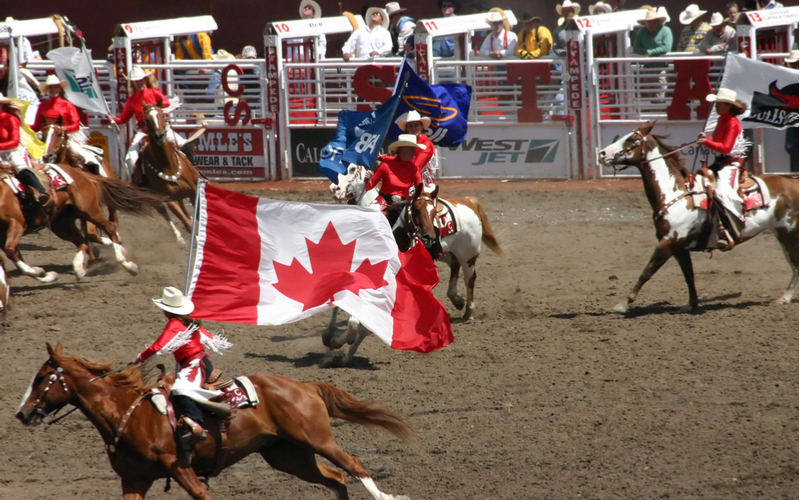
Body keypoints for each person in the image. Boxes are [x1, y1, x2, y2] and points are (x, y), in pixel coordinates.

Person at [133, 287, 231, 455]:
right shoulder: (188, 322)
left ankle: (195, 424)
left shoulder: (175, 323)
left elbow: (159, 346)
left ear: (165, 309)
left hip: (195, 364)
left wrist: (140, 358)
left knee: (181, 389)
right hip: (197, 362)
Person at [107, 66, 187, 177]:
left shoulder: (155, 93)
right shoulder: (132, 99)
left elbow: (166, 103)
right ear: (133, 83)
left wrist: (153, 109)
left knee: (184, 145)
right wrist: (113, 119)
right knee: (130, 158)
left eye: (140, 80)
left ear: (145, 80)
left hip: (160, 128)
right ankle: (135, 181)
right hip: (143, 131)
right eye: (136, 81)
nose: (139, 83)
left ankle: (195, 175)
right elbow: (123, 119)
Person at [697, 88, 749, 249]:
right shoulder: (723, 119)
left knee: (721, 192)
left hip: (731, 163)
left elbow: (726, 148)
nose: (715, 106)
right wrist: (708, 139)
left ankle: (730, 228)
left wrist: (707, 142)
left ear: (727, 105)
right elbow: (719, 140)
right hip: (721, 162)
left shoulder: (732, 122)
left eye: (718, 104)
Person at [31, 74, 101, 173]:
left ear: (59, 89)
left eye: (55, 87)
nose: (53, 89)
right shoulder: (42, 106)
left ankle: (97, 175)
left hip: (65, 138)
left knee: (86, 157)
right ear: (47, 90)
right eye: (51, 87)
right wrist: (23, 127)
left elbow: (76, 124)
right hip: (46, 139)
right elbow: (37, 126)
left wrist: (62, 130)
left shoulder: (67, 105)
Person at [0, 93, 49, 204]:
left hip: (12, 152)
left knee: (20, 167)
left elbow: (14, 142)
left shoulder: (11, 118)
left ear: (2, 105)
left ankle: (40, 191)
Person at [365, 134, 424, 206]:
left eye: (415, 150)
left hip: (403, 204)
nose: (414, 153)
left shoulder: (415, 170)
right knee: (371, 214)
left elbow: (421, 192)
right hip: (383, 202)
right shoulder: (386, 165)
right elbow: (368, 187)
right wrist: (368, 178)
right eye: (411, 150)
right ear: (401, 149)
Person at [633, 8, 673, 102]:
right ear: (645, 23)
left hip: (661, 67)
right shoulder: (641, 32)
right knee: (650, 94)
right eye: (648, 22)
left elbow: (667, 47)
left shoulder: (665, 30)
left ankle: (659, 112)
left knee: (660, 93)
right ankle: (654, 111)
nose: (651, 25)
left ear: (657, 22)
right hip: (647, 67)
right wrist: (647, 52)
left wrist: (650, 53)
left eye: (653, 22)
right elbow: (636, 48)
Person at [395, 110, 436, 191]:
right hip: (408, 180)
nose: (413, 128)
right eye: (410, 126)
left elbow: (416, 166)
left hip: (424, 184)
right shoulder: (408, 142)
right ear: (407, 129)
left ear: (421, 127)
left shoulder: (426, 144)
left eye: (416, 125)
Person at [785, 51, 799, 172]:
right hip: (794, 116)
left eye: (796, 64)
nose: (793, 67)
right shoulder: (788, 78)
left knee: (791, 146)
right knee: (791, 146)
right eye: (792, 64)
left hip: (794, 115)